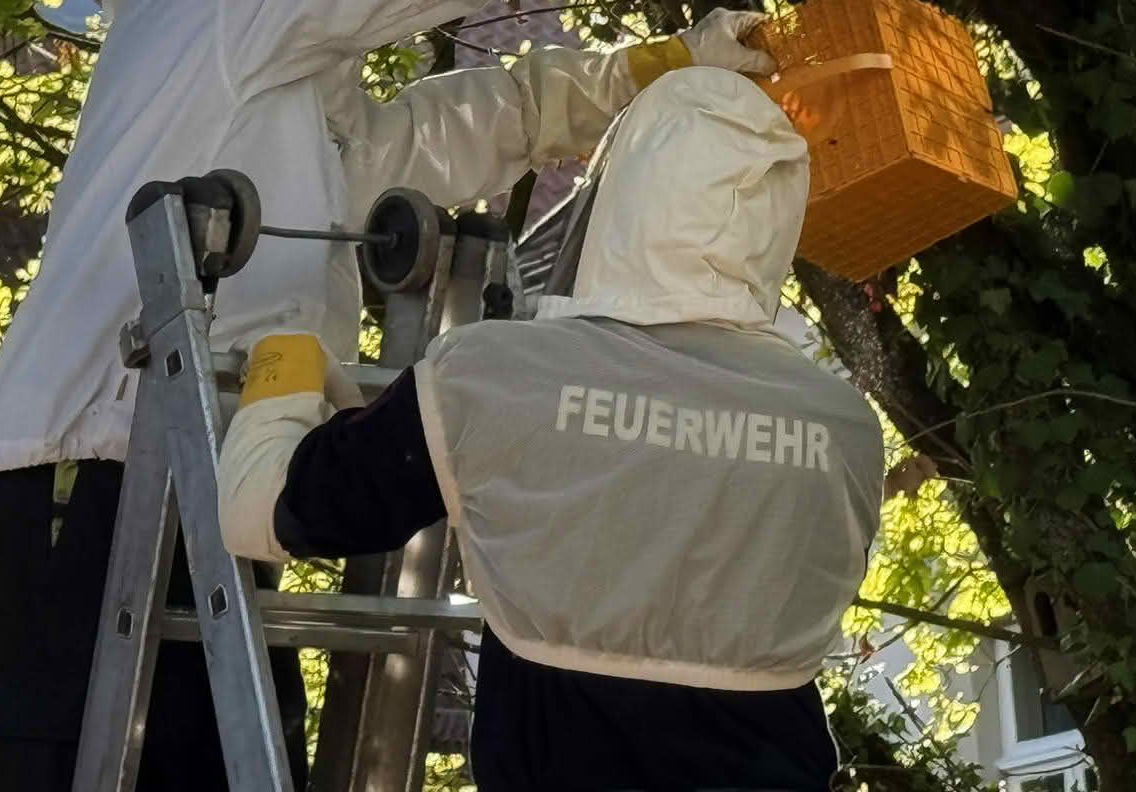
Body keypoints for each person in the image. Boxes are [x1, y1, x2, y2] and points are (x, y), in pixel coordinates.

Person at [0, 0, 778, 791]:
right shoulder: (193, 11)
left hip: (198, 483)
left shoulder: (290, 117)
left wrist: (678, 63)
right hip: (83, 467)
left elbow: (494, 121)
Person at [218, 66, 886, 790]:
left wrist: (288, 357)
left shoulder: (499, 374)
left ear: (624, 191)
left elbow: (261, 514)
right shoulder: (844, 424)